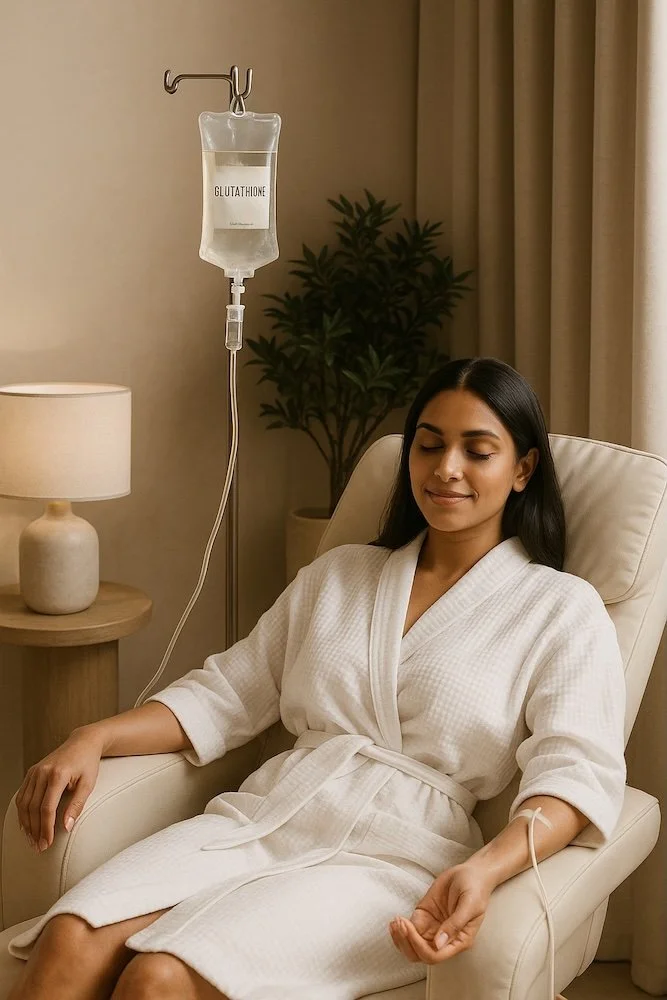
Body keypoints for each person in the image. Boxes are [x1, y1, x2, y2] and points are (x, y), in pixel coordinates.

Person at [7, 357, 627, 1000]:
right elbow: (226, 693)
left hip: (392, 861)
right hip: (264, 816)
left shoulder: (560, 608)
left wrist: (485, 870)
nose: (446, 468)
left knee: (160, 979)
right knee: (71, 938)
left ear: (522, 469)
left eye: (478, 451)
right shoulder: (340, 574)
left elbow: (575, 774)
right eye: (429, 444)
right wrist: (93, 736)